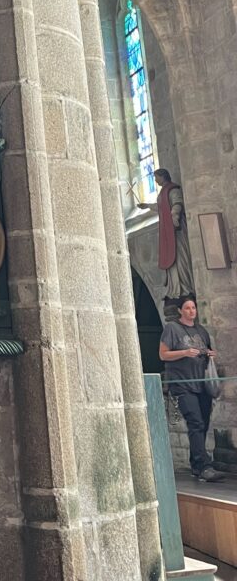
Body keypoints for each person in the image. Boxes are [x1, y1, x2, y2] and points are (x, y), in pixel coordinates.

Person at [159, 296, 224, 482]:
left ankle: (197, 464)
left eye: (193, 308)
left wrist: (211, 354)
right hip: (182, 384)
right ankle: (204, 466)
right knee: (195, 422)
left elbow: (206, 351)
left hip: (202, 384)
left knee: (203, 423)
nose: (191, 311)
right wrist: (185, 352)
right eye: (187, 308)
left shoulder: (201, 331)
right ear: (180, 310)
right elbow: (163, 355)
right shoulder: (172, 328)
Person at [138, 168, 195, 308]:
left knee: (179, 256)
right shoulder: (163, 191)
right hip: (167, 230)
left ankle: (184, 288)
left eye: (156, 177)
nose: (155, 180)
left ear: (163, 176)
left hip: (176, 230)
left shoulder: (172, 189)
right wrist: (147, 206)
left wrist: (174, 218)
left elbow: (177, 203)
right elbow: (161, 207)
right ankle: (174, 290)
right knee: (170, 259)